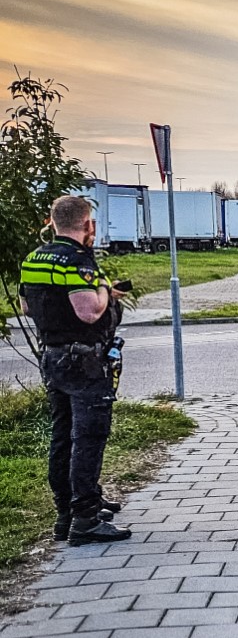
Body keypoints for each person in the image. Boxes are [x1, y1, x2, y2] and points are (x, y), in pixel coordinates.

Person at [18, 195, 133, 545]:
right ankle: (85, 518)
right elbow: (88, 311)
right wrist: (104, 292)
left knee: (62, 434)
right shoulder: (78, 261)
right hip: (83, 361)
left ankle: (67, 512)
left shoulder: (34, 259)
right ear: (87, 225)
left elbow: (26, 305)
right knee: (88, 438)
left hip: (53, 356)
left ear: (52, 222)